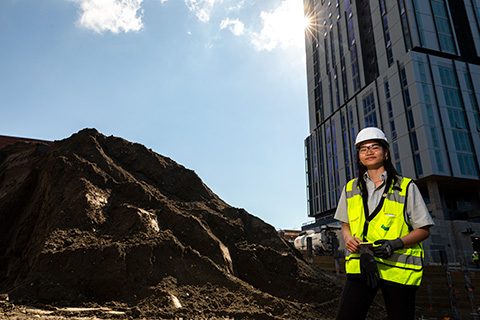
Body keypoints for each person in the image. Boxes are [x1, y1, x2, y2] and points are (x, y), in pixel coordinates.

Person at [334, 127, 434, 320]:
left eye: (374, 147)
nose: (369, 152)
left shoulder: (406, 187)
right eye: (363, 149)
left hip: (397, 269)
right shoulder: (350, 188)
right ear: (359, 156)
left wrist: (395, 244)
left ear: (385, 153)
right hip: (361, 264)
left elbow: (423, 229)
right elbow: (345, 224)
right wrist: (347, 239)